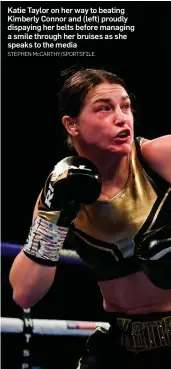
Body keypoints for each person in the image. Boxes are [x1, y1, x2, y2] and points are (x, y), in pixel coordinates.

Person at [9, 68, 171, 368]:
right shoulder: (61, 192)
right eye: (104, 109)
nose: (122, 118)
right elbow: (24, 294)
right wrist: (51, 217)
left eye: (126, 106)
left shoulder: (160, 157)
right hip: (123, 346)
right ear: (72, 125)